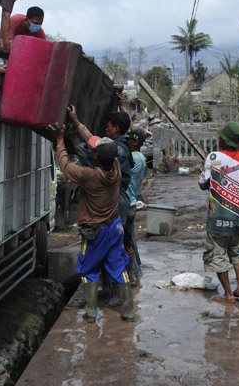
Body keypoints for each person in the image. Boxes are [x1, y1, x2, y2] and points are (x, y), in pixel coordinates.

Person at [51, 126, 134, 322]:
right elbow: (95, 143)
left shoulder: (90, 176)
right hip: (114, 227)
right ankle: (129, 312)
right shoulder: (115, 167)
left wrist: (60, 141)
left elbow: (65, 165)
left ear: (96, 157)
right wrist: (76, 122)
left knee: (88, 269)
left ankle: (90, 313)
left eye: (94, 151)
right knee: (118, 267)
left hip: (95, 231)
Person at [67, 106, 135, 282]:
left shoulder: (114, 154)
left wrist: (69, 143)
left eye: (109, 126)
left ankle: (112, 286)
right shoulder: (117, 148)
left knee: (108, 250)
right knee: (119, 247)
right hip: (120, 202)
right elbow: (92, 141)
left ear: (116, 129)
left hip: (114, 203)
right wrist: (76, 121)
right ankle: (126, 281)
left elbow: (89, 156)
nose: (106, 128)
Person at [198, 122, 239, 304]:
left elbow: (203, 184)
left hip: (217, 218)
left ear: (223, 140)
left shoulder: (213, 157)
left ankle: (228, 294)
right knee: (237, 252)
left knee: (217, 255)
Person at [125, 128, 149, 285]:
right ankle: (136, 267)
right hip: (132, 201)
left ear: (134, 142)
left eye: (128, 140)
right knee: (130, 238)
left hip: (127, 201)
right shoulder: (140, 156)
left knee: (127, 241)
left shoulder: (133, 158)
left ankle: (133, 272)